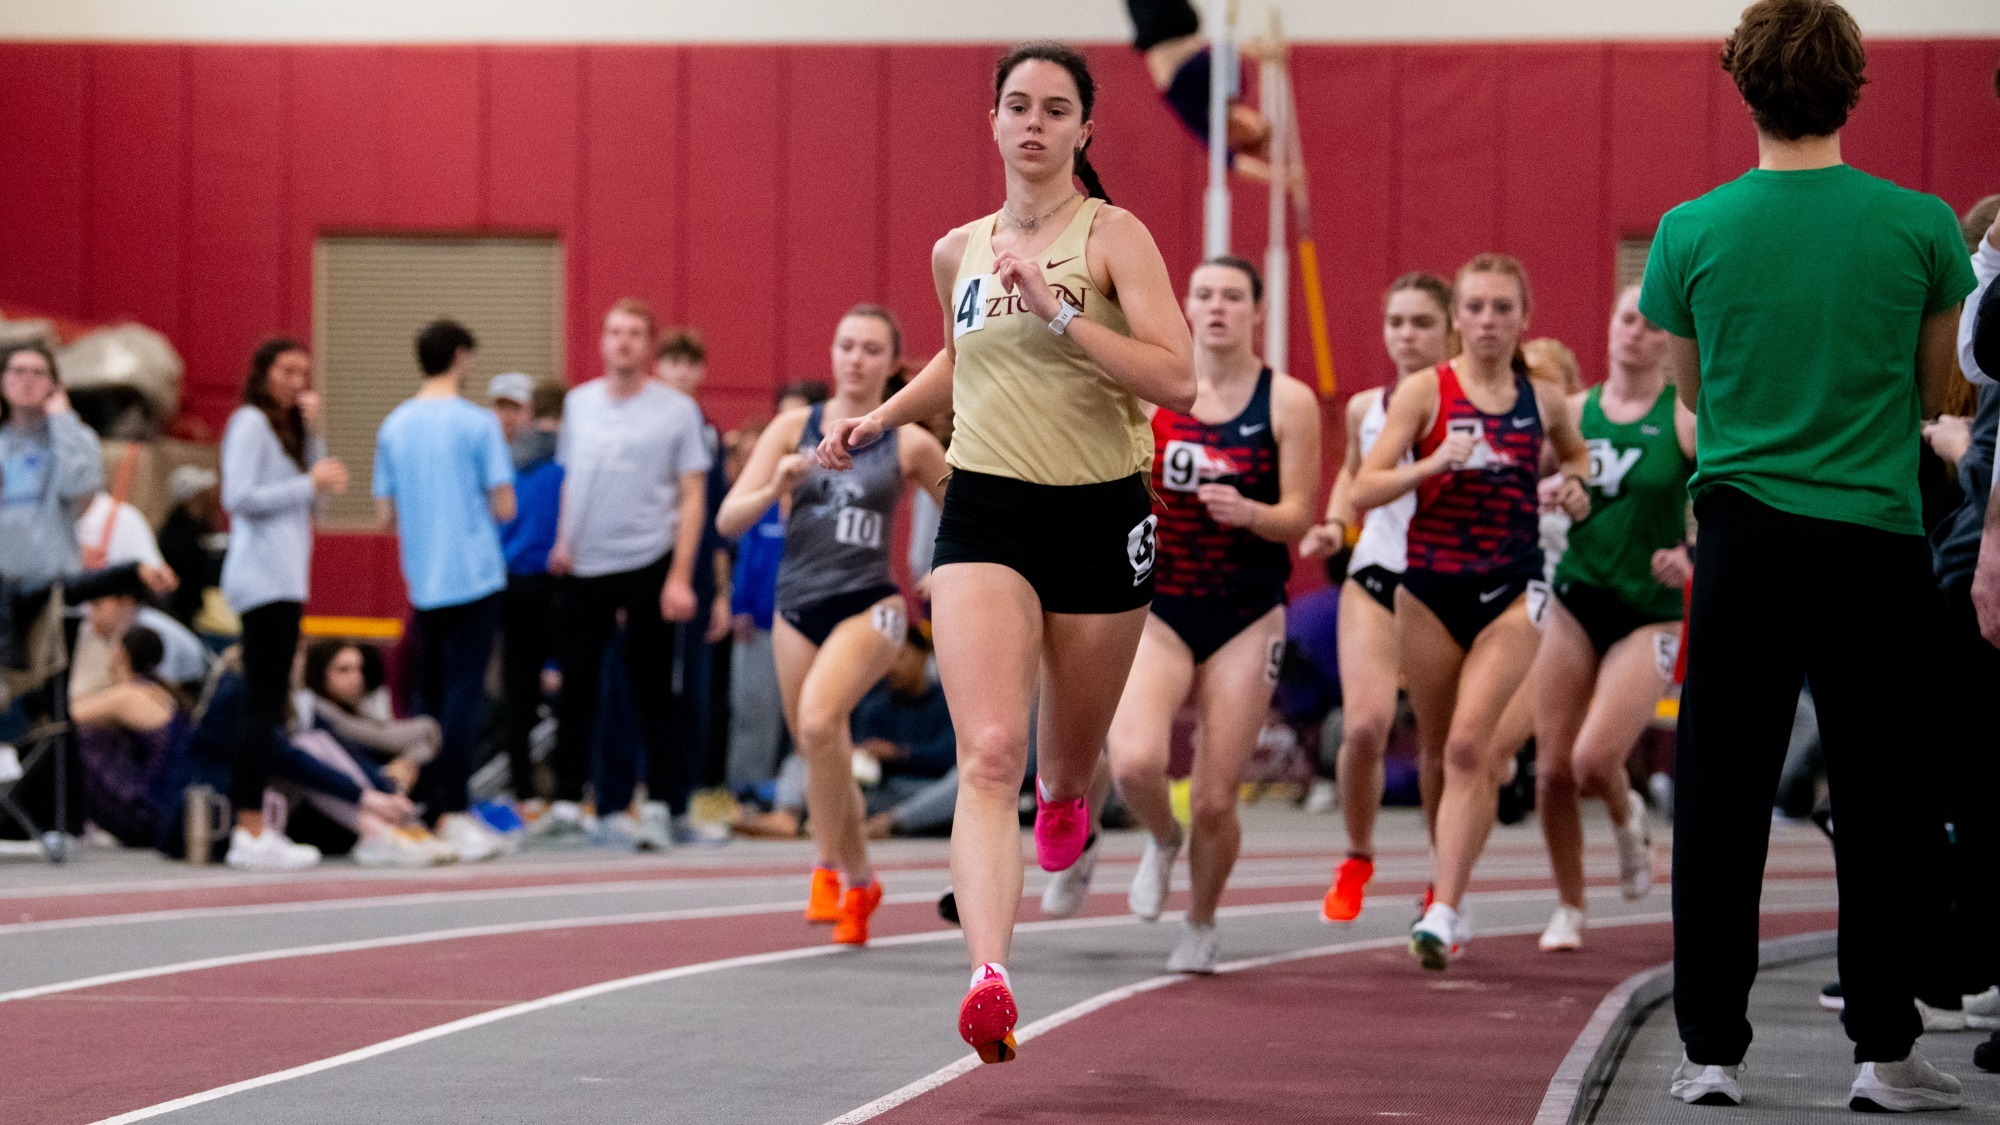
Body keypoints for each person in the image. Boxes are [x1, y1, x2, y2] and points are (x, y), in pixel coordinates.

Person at [816, 42, 1195, 1064]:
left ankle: (1066, 802)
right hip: (984, 508)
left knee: (1064, 766)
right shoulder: (958, 249)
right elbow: (955, 355)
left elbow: (1180, 381)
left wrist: (1060, 308)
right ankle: (989, 977)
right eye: (1016, 105)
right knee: (990, 752)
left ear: (1081, 129)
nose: (1032, 123)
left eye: (1054, 108)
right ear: (991, 121)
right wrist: (877, 418)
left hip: (1098, 516)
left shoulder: (1113, 237)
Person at [1643, 1, 1974, 1110]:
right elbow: (1934, 390)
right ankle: (1882, 1052)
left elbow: (1695, 399)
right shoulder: (1924, 227)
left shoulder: (1688, 230)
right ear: (1854, 86)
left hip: (1740, 535)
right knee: (1883, 799)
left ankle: (1708, 1053)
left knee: (1718, 794)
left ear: (1741, 89)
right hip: (1874, 539)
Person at [1348, 253, 1591, 972]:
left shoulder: (1542, 399)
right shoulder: (1426, 391)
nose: (1487, 321)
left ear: (1524, 316)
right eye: (1476, 308)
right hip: (1427, 590)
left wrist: (1571, 489)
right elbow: (1364, 487)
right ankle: (1445, 881)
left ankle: (1445, 905)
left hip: (1512, 590)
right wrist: (1433, 464)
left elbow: (1575, 460)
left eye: (1502, 309)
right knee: (1435, 752)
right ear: (1458, 317)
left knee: (1468, 746)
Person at [1103, 257, 1320, 972]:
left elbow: (1298, 517)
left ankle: (1199, 919)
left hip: (1247, 612)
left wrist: (1250, 510)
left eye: (1233, 295)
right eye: (1204, 295)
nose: (1217, 306)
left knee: (1220, 798)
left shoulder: (1286, 401)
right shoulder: (1157, 390)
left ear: (1257, 311)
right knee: (1133, 759)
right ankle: (1163, 837)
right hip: (1163, 602)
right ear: (1185, 306)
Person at [719, 305, 948, 945]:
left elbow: (966, 512)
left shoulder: (909, 441)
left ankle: (824, 864)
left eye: (871, 349)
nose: (855, 358)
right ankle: (860, 880)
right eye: (846, 345)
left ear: (891, 363)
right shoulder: (793, 426)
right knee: (822, 749)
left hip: (871, 604)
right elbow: (727, 521)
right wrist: (776, 486)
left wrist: (947, 570)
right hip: (795, 607)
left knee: (821, 721)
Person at [1531, 284, 1695, 953]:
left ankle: (1628, 816)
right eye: (1627, 318)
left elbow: (1729, 491)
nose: (1638, 331)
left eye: (1653, 324)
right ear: (1608, 327)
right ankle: (1569, 904)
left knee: (1596, 758)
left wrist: (1692, 551)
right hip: (1575, 596)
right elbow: (1524, 493)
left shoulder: (1684, 416)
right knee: (1550, 771)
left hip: (1647, 611)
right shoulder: (1571, 413)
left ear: (1668, 341)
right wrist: (1549, 494)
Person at [1300, 272, 1455, 922]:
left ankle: (1442, 877)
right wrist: (1336, 522)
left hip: (1442, 579)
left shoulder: (1468, 403)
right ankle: (1358, 854)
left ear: (1449, 329)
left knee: (1439, 744)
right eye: (1397, 322)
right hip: (1374, 574)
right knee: (1363, 725)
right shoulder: (1368, 406)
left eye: (1422, 322)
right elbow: (1350, 475)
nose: (1408, 335)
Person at [544, 300, 711, 847]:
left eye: (634, 334)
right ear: (602, 340)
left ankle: (661, 804)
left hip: (648, 561)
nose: (622, 342)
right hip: (584, 565)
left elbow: (692, 495)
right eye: (613, 332)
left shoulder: (676, 411)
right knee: (578, 687)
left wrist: (680, 576)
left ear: (648, 346)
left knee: (653, 690)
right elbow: (572, 478)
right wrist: (563, 540)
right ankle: (569, 803)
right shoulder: (579, 403)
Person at [373, 319, 515, 861]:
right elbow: (505, 505)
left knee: (424, 697)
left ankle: (424, 806)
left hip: (423, 579)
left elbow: (385, 514)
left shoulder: (394, 426)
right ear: (461, 356)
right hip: (475, 576)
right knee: (462, 696)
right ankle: (453, 808)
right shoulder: (478, 424)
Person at [218, 338, 348, 872]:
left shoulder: (286, 431)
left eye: (304, 372)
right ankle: (249, 826)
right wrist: (306, 481)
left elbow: (313, 496)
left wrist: (312, 439)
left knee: (271, 703)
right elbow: (238, 497)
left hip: (286, 578)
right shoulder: (249, 423)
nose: (298, 381)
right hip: (262, 579)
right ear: (263, 373)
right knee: (262, 702)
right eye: (287, 370)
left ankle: (257, 822)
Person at [655, 330, 738, 821]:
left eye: (692, 364)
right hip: (645, 568)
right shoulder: (641, 424)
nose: (683, 372)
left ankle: (681, 797)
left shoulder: (706, 432)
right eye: (673, 362)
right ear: (658, 368)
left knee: (694, 689)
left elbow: (715, 521)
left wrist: (723, 592)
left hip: (698, 581)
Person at [491, 372, 563, 808]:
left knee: (518, 688)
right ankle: (568, 786)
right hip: (554, 580)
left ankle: (523, 786)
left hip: (517, 580)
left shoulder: (505, 463)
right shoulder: (570, 461)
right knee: (563, 685)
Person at [1123, 0, 1273, 178]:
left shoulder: (1209, 125)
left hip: (1157, 33)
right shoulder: (1235, 90)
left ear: (1240, 139)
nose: (1248, 122)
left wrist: (1277, 176)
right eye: (1256, 121)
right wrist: (1258, 49)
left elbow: (1232, 163)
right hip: (1184, 24)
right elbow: (1228, 53)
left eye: (1250, 131)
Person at [73, 624, 185, 848]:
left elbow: (69, 715)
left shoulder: (130, 695)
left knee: (81, 738)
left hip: (149, 813)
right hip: (165, 808)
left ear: (120, 654)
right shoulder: (158, 691)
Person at [303, 638, 440, 797]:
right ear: (319, 673)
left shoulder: (356, 710)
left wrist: (406, 762)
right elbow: (388, 739)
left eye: (359, 669)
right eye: (343, 670)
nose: (356, 678)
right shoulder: (319, 713)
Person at [156, 465, 226, 630]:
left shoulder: (198, 527)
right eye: (203, 493)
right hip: (179, 613)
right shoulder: (177, 533)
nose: (210, 497)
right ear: (193, 497)